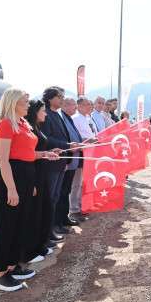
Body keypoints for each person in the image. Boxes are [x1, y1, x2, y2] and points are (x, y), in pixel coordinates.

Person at [0, 89, 58, 292]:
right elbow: (3, 160)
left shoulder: (23, 123)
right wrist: (11, 189)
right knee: (7, 226)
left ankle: (13, 266)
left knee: (21, 224)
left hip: (26, 176)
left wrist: (45, 154)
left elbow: (27, 153)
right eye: (25, 102)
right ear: (13, 103)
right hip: (11, 177)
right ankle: (1, 274)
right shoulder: (5, 124)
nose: (28, 105)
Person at [40, 87, 76, 242]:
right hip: (51, 163)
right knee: (50, 198)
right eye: (59, 97)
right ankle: (50, 229)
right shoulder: (46, 114)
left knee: (56, 196)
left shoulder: (57, 114)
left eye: (62, 96)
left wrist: (67, 156)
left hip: (60, 162)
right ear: (50, 98)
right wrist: (67, 145)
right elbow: (46, 139)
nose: (62, 99)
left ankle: (56, 226)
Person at [25, 100, 59, 257]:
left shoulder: (36, 127)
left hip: (41, 171)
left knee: (44, 208)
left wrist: (50, 151)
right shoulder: (29, 128)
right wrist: (45, 153)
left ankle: (41, 243)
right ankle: (33, 247)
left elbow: (40, 149)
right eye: (43, 110)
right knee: (36, 211)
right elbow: (28, 153)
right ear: (35, 111)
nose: (45, 113)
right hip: (34, 173)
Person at [57, 97, 85, 230]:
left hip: (74, 158)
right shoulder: (62, 117)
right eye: (74, 105)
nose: (76, 107)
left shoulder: (68, 118)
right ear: (65, 106)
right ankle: (61, 219)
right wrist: (71, 147)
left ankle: (64, 218)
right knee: (63, 191)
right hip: (68, 159)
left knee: (67, 190)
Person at [71, 98, 96, 221]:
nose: (89, 107)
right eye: (87, 104)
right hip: (80, 154)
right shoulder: (76, 118)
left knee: (82, 183)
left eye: (90, 104)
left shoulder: (86, 118)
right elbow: (75, 137)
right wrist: (89, 140)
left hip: (88, 153)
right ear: (79, 106)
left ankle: (81, 206)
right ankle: (74, 210)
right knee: (76, 183)